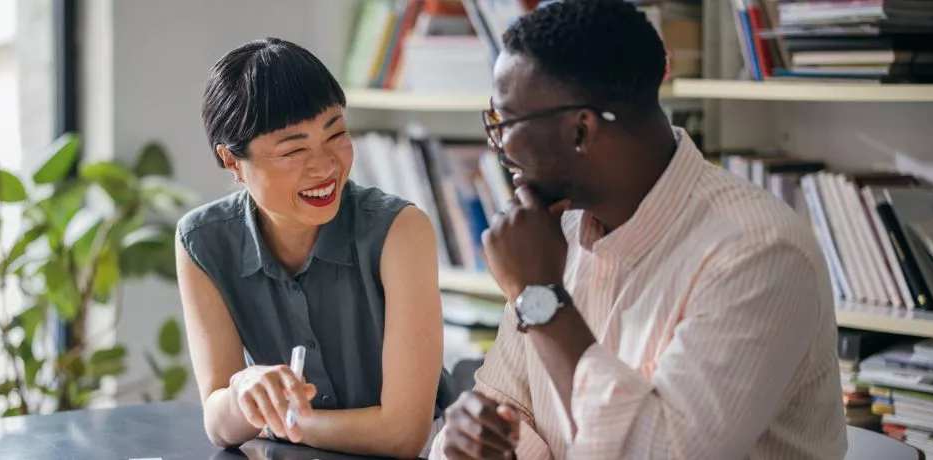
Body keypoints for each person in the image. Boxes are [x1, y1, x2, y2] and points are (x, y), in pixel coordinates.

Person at [431, 1, 847, 459]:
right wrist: (471, 437)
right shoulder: (553, 233)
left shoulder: (757, 254)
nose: (498, 145)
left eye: (504, 122)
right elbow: (507, 410)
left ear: (581, 131)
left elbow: (658, 452)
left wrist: (541, 299)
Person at [176, 37, 454, 458]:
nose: (325, 166)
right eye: (293, 150)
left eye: (336, 133)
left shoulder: (400, 230)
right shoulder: (202, 240)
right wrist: (242, 390)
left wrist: (282, 423)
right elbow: (218, 421)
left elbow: (403, 434)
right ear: (232, 161)